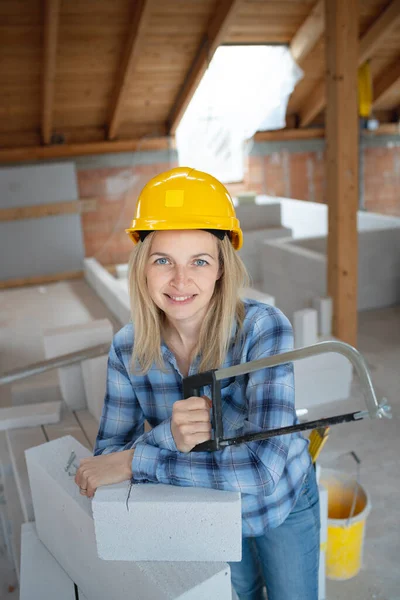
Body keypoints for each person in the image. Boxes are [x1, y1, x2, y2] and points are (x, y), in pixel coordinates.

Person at [75, 167, 320, 600]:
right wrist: (168, 435)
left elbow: (262, 474)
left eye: (199, 261)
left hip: (283, 503)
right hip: (209, 511)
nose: (181, 281)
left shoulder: (263, 329)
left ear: (223, 267)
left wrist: (138, 461)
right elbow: (104, 460)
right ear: (142, 267)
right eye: (163, 260)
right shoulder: (127, 350)